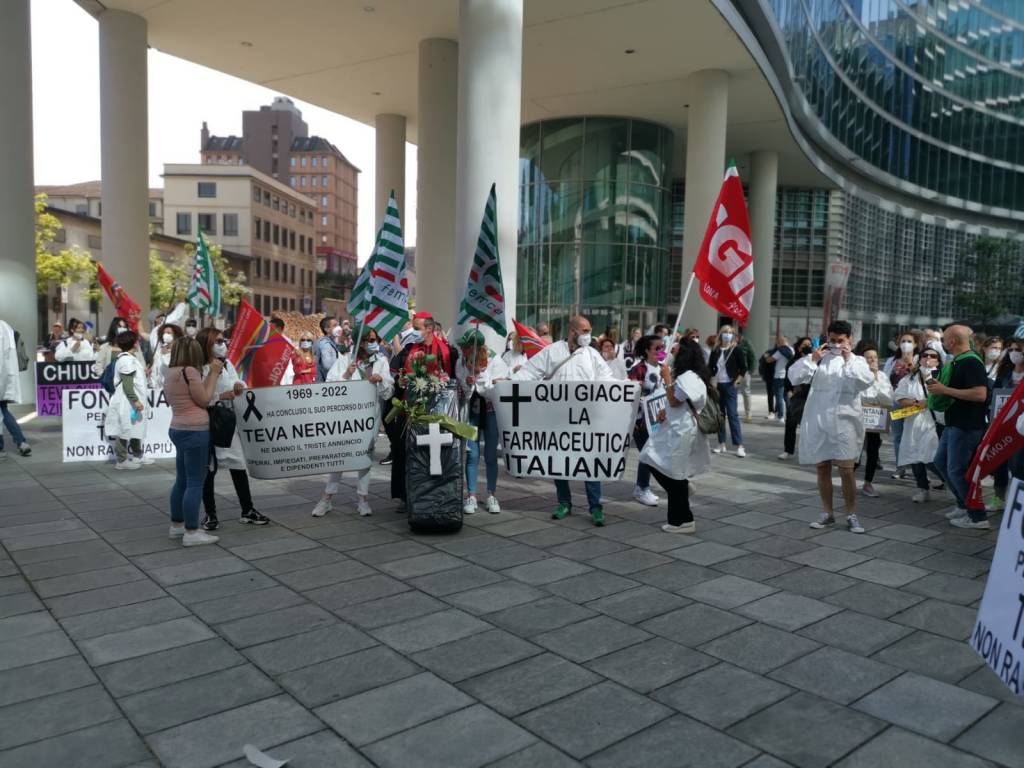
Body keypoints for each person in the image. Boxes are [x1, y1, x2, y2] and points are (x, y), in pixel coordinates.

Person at [514, 315, 613, 526]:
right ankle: (564, 502)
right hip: (558, 417)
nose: (588, 335)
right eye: (585, 331)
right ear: (573, 331)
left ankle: (595, 506)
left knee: (590, 461)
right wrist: (507, 383)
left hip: (586, 418)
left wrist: (627, 387)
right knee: (559, 460)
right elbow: (529, 373)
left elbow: (607, 380)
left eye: (589, 331)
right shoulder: (551, 352)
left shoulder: (592, 355)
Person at [788, 320, 874, 534]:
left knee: (846, 469)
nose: (835, 344)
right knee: (822, 467)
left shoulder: (857, 361)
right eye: (832, 340)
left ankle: (851, 513)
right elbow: (794, 376)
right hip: (818, 418)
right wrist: (813, 360)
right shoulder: (819, 359)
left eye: (840, 341)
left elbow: (865, 382)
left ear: (849, 340)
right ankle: (827, 512)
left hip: (845, 420)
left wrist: (847, 359)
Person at [312, 327, 394, 518]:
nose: (372, 342)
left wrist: (380, 379)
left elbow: (388, 391)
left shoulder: (381, 361)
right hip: (347, 417)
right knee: (340, 455)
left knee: (365, 457)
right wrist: (347, 375)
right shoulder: (345, 360)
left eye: (375, 339)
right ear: (359, 341)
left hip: (369, 417)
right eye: (367, 339)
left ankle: (363, 499)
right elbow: (329, 387)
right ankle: (327, 498)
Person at [196, 327, 269, 529]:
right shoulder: (199, 367)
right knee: (208, 470)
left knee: (238, 465)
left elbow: (237, 381)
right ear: (207, 343)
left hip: (228, 421)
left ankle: (247, 510)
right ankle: (210, 514)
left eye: (223, 341)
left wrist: (238, 386)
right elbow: (200, 396)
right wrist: (220, 396)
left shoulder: (226, 364)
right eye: (218, 341)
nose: (223, 345)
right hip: (209, 421)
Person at [639, 338, 712, 534]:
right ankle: (683, 499)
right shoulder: (689, 375)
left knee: (674, 472)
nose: (670, 354)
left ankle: (682, 520)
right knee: (651, 459)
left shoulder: (688, 377)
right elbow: (675, 402)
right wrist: (664, 409)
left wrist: (667, 379)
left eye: (675, 351)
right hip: (674, 427)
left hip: (680, 431)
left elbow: (674, 400)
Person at [388, 312, 459, 511]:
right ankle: (405, 496)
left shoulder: (447, 351)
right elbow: (398, 374)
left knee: (434, 455)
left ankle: (438, 494)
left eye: (417, 328)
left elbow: (454, 379)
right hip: (409, 411)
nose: (414, 332)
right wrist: (400, 382)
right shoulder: (409, 349)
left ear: (429, 328)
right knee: (405, 453)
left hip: (437, 412)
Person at [928, 325, 991, 529]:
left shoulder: (971, 362)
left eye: (945, 339)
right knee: (940, 462)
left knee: (957, 470)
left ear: (953, 341)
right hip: (954, 423)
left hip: (967, 426)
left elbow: (980, 394)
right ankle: (963, 505)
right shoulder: (957, 361)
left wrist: (945, 390)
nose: (943, 342)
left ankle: (978, 516)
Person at [163, 337, 222, 547]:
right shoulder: (190, 371)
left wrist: (209, 377)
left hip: (177, 427)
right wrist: (214, 373)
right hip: (195, 430)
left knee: (181, 479)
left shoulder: (170, 372)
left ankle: (176, 526)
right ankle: (192, 531)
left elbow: (189, 396)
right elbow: (204, 399)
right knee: (195, 482)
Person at [456, 330, 508, 515]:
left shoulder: (495, 360)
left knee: (491, 455)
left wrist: (480, 377)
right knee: (471, 454)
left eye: (465, 346)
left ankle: (492, 494)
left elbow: (495, 390)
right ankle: (471, 495)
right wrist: (468, 382)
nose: (461, 349)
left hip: (491, 411)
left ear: (475, 347)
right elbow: (463, 388)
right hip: (471, 411)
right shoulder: (461, 361)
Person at [894, 347, 943, 503]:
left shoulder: (943, 377)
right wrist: (918, 403)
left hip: (935, 422)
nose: (928, 358)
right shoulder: (909, 379)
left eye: (933, 356)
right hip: (914, 422)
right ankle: (922, 489)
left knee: (932, 457)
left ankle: (953, 484)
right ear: (919, 358)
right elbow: (900, 399)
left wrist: (930, 403)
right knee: (915, 456)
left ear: (938, 360)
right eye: (925, 355)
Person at [628, 335, 669, 507]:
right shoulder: (639, 369)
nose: (661, 351)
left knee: (652, 453)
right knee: (648, 453)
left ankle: (643, 487)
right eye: (657, 348)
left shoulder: (664, 368)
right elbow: (629, 392)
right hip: (641, 421)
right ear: (647, 350)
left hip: (659, 419)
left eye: (662, 347)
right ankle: (641, 488)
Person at [104, 330, 153, 470]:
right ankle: (121, 460)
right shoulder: (126, 360)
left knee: (136, 427)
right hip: (127, 401)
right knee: (124, 429)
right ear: (135, 343)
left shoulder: (130, 358)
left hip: (132, 400)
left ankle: (138, 455)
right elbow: (127, 383)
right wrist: (135, 400)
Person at [856, 343, 894, 498]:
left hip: (876, 416)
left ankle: (868, 483)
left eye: (874, 357)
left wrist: (876, 378)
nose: (872, 360)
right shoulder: (857, 375)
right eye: (868, 358)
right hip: (858, 416)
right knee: (855, 451)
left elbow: (888, 397)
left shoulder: (883, 376)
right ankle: (848, 478)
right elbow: (861, 395)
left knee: (873, 450)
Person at [883, 330, 922, 480]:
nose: (906, 344)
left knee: (914, 435)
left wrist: (911, 364)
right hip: (896, 403)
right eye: (903, 341)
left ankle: (918, 467)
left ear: (916, 344)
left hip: (913, 404)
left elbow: (922, 378)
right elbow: (886, 379)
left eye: (909, 341)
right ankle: (900, 467)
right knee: (898, 436)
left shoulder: (920, 359)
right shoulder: (892, 361)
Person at [708, 324, 748, 457]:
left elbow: (743, 368)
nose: (728, 334)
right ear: (721, 334)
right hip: (717, 386)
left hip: (730, 385)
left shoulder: (736, 350)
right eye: (725, 332)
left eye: (730, 332)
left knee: (732, 414)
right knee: (720, 416)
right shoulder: (716, 350)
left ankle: (739, 445)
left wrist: (737, 381)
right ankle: (721, 443)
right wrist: (710, 380)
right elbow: (710, 367)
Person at [779, 337, 812, 460]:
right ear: (799, 347)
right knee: (791, 422)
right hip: (795, 395)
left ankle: (807, 450)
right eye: (804, 345)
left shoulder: (815, 361)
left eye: (809, 344)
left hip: (810, 396)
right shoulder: (793, 361)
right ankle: (788, 450)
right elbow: (788, 379)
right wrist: (788, 391)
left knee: (807, 425)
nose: (807, 347)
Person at [0, 320, 30, 459]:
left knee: (2, 411)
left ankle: (2, 447)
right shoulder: (5, 326)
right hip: (5, 377)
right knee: (3, 410)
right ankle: (21, 442)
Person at [767, 337, 794, 423]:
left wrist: (766, 356)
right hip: (788, 376)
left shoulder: (780, 351)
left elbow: (769, 360)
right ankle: (790, 416)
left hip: (779, 376)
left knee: (779, 397)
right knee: (787, 397)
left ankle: (781, 416)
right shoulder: (792, 350)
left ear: (780, 343)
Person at [150, 323, 184, 389]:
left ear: (175, 335)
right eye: (164, 333)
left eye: (168, 333)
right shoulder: (158, 353)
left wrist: (165, 356)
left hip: (173, 389)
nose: (165, 335)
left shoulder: (180, 352)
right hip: (159, 390)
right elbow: (155, 371)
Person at [737, 331, 756, 421]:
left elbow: (752, 356)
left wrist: (750, 370)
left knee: (746, 392)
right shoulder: (728, 343)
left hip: (744, 371)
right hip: (732, 371)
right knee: (731, 393)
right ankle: (730, 412)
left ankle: (748, 414)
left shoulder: (746, 343)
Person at [315, 316, 340, 382]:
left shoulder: (331, 342)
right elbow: (328, 366)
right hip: (326, 383)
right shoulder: (326, 344)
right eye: (335, 325)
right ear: (326, 329)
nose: (338, 328)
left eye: (338, 325)